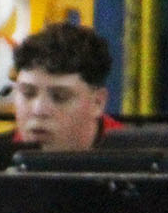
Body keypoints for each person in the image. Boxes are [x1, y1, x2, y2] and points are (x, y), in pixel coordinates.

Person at [10, 22, 121, 153]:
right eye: (27, 93)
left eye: (59, 97)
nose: (38, 110)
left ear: (98, 102)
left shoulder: (134, 156)